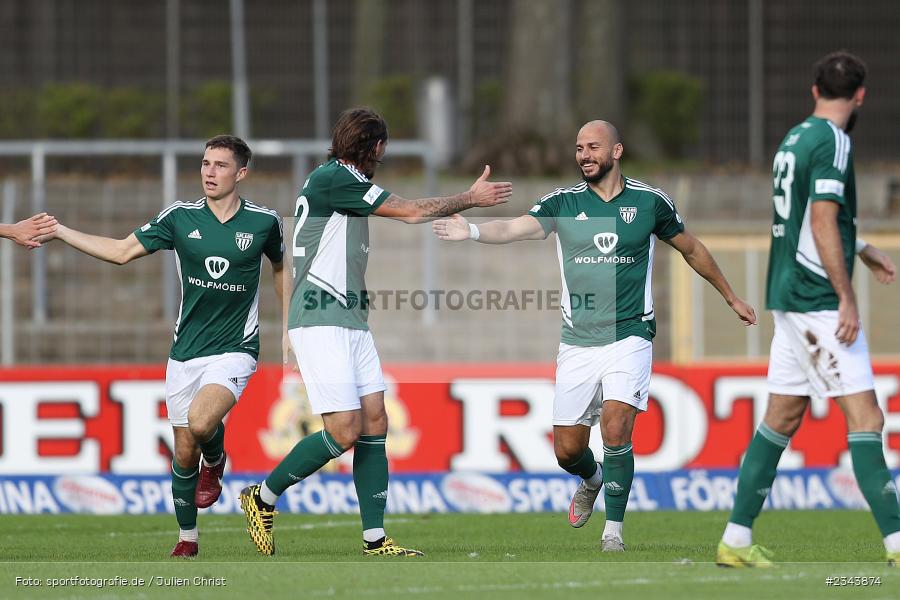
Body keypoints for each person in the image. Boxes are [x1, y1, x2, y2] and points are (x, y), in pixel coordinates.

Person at [433, 120, 756, 552]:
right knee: (567, 450)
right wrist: (470, 229)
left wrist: (730, 296)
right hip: (579, 340)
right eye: (579, 148)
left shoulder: (649, 202)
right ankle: (592, 479)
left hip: (631, 335)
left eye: (593, 147)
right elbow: (513, 228)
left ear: (617, 151)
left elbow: (692, 249)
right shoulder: (563, 203)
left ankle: (613, 533)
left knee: (617, 426)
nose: (584, 154)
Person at [239, 107, 512, 557]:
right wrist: (470, 197)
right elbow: (409, 212)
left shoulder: (341, 181)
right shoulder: (337, 179)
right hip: (321, 317)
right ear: (378, 147)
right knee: (344, 430)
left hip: (349, 319)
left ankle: (375, 539)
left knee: (375, 422)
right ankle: (262, 497)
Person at [44, 135, 285, 558]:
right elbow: (121, 251)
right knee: (184, 448)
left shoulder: (264, 222)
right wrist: (61, 231)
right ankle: (187, 539)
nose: (209, 172)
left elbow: (283, 266)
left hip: (235, 347)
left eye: (220, 165)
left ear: (241, 172)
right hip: (185, 352)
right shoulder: (179, 217)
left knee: (201, 420)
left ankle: (217, 462)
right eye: (205, 164)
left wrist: (289, 325)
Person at [716, 51, 900, 568]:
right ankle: (898, 545)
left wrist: (862, 247)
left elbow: (808, 217)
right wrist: (846, 295)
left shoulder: (795, 139)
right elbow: (820, 222)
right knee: (866, 415)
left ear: (813, 90)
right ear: (860, 95)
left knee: (783, 413)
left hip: (787, 294)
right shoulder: (835, 142)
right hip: (816, 296)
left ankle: (734, 540)